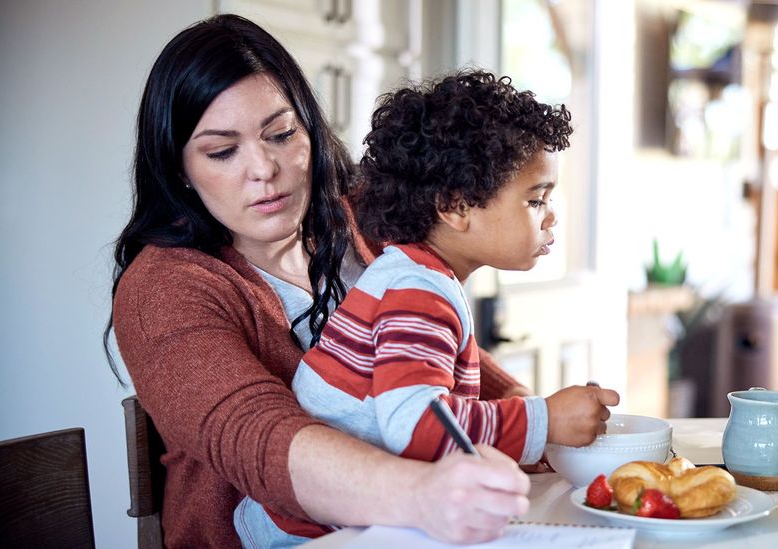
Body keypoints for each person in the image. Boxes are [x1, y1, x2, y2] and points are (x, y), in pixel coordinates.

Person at [106, 14, 572, 548]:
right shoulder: (165, 288)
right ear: (180, 168)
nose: (264, 169)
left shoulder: (364, 221)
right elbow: (258, 436)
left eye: (281, 134)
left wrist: (539, 425)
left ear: (310, 127)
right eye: (222, 151)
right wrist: (423, 492)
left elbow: (436, 350)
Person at [233, 70, 621, 547]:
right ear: (455, 206)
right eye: (535, 199)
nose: (551, 215)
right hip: (314, 534)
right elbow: (419, 427)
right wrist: (544, 421)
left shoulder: (415, 274)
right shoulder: (418, 294)